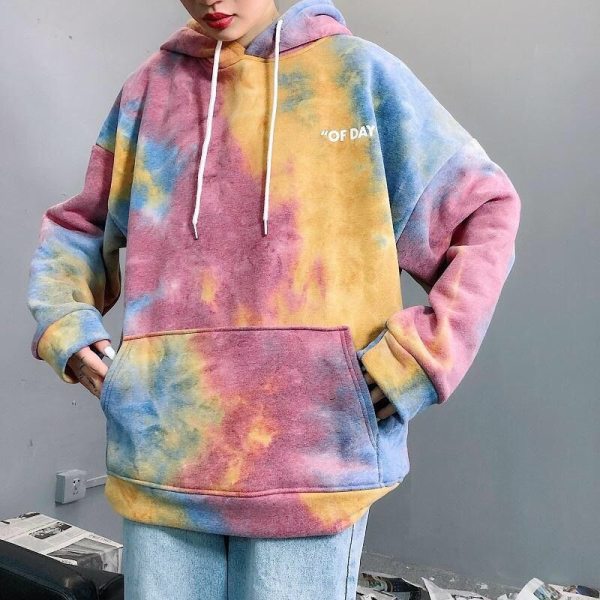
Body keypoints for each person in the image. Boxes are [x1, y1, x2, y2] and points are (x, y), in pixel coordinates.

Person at [25, 0, 521, 597]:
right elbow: (78, 228)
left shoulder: (358, 76)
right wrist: (65, 326)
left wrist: (422, 355)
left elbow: (483, 211)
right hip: (167, 456)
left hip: (313, 463)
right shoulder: (149, 92)